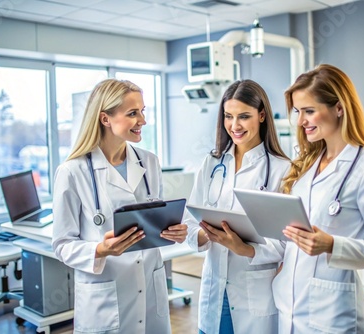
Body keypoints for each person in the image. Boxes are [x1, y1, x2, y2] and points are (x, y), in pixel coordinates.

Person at [246, 64, 364, 333]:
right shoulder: (307, 165)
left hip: (333, 311)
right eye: (297, 112)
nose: (300, 121)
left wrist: (332, 245)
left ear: (338, 108)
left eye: (309, 111)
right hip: (289, 304)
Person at [52, 79, 187, 334]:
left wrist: (174, 232)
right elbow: (62, 245)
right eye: (133, 113)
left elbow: (155, 221)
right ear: (105, 118)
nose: (143, 120)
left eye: (143, 111)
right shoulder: (72, 172)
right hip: (104, 297)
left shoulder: (149, 162)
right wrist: (101, 249)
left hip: (149, 285)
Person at [184, 79, 291, 334]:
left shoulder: (282, 170)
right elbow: (189, 222)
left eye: (244, 116)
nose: (235, 126)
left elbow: (288, 243)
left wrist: (245, 249)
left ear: (262, 115)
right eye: (228, 116)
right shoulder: (211, 164)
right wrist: (204, 234)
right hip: (214, 288)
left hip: (254, 292)